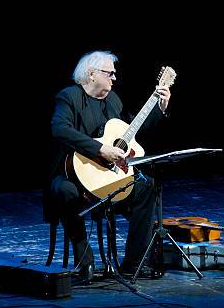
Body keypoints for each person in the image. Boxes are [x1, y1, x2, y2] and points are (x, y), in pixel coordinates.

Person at [46, 50, 171, 283]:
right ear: (91, 74)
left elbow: (131, 133)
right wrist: (99, 149)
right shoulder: (69, 97)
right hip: (71, 176)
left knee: (147, 188)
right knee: (65, 191)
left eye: (114, 73)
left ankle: (133, 263)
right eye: (109, 73)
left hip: (107, 177)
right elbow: (59, 129)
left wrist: (160, 109)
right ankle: (84, 261)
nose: (114, 78)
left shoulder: (114, 100)